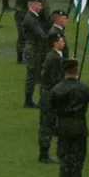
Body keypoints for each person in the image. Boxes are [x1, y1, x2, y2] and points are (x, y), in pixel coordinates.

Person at [38, 32, 66, 164]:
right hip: (50, 95)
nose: (63, 43)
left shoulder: (53, 56)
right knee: (47, 125)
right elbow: (56, 79)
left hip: (48, 93)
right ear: (54, 43)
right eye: (61, 41)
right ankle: (44, 155)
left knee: (49, 123)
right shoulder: (54, 58)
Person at [22, 0, 48, 108]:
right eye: (39, 4)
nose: (41, 6)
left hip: (34, 49)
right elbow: (40, 34)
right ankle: (28, 101)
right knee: (32, 75)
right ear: (32, 4)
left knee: (35, 75)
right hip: (33, 50)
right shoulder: (31, 19)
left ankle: (30, 100)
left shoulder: (33, 17)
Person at [14, 0, 34, 64]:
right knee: (22, 35)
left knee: (25, 35)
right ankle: (20, 57)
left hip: (23, 11)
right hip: (21, 12)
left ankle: (23, 56)